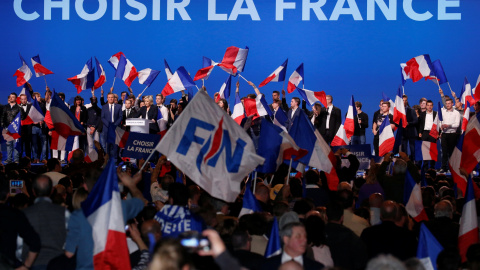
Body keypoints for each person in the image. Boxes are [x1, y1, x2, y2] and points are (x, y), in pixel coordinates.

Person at [22, 175, 67, 269]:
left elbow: (19, 244)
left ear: (33, 191)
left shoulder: (24, 214)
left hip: (32, 263)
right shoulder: (63, 212)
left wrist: (25, 264)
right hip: (58, 263)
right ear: (52, 191)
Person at [0, 179, 40, 269]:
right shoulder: (14, 214)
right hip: (7, 264)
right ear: (7, 195)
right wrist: (26, 266)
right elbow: (35, 241)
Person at [439, 98, 461, 173]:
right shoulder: (443, 112)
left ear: (452, 104)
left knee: (451, 152)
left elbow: (457, 124)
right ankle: (443, 167)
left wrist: (448, 125)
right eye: (446, 103)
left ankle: (451, 168)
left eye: (449, 103)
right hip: (444, 134)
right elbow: (439, 122)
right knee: (444, 152)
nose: (447, 105)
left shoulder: (456, 113)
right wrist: (441, 126)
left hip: (452, 134)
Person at [101, 91, 123, 157]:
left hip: (115, 128)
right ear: (107, 98)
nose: (110, 99)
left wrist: (114, 125)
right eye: (109, 97)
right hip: (107, 128)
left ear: (114, 98)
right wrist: (109, 125)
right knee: (107, 146)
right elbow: (102, 117)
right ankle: (107, 160)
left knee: (115, 146)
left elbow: (120, 117)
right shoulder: (104, 107)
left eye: (112, 97)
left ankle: (115, 160)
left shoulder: (118, 106)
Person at [418, 100, 438, 170]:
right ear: (426, 106)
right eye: (428, 105)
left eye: (431, 105)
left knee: (433, 150)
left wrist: (438, 133)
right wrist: (420, 132)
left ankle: (432, 167)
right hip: (425, 133)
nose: (429, 107)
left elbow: (439, 124)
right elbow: (421, 124)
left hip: (433, 132)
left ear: (432, 106)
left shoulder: (436, 114)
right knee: (425, 151)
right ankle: (425, 167)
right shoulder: (422, 114)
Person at [2, 93, 21, 163]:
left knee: (15, 144)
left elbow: (23, 116)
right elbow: (2, 117)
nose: (11, 98)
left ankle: (16, 159)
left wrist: (14, 123)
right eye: (10, 97)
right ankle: (9, 159)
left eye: (13, 97)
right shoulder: (5, 107)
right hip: (7, 128)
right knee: (8, 144)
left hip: (15, 128)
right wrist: (3, 125)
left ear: (16, 98)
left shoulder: (18, 107)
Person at [401, 95, 418, 160]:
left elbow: (415, 121)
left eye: (405, 100)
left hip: (411, 132)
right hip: (403, 133)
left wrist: (408, 123)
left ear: (407, 101)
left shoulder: (411, 110)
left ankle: (414, 163)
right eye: (403, 100)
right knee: (404, 149)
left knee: (412, 149)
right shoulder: (399, 111)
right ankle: (405, 163)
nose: (404, 102)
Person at [19, 94, 33, 159]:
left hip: (29, 128)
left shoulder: (31, 106)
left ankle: (29, 158)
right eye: (22, 99)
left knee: (28, 144)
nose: (24, 100)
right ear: (20, 99)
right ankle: (19, 158)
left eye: (25, 99)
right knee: (20, 144)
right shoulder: (17, 106)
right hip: (21, 129)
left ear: (27, 99)